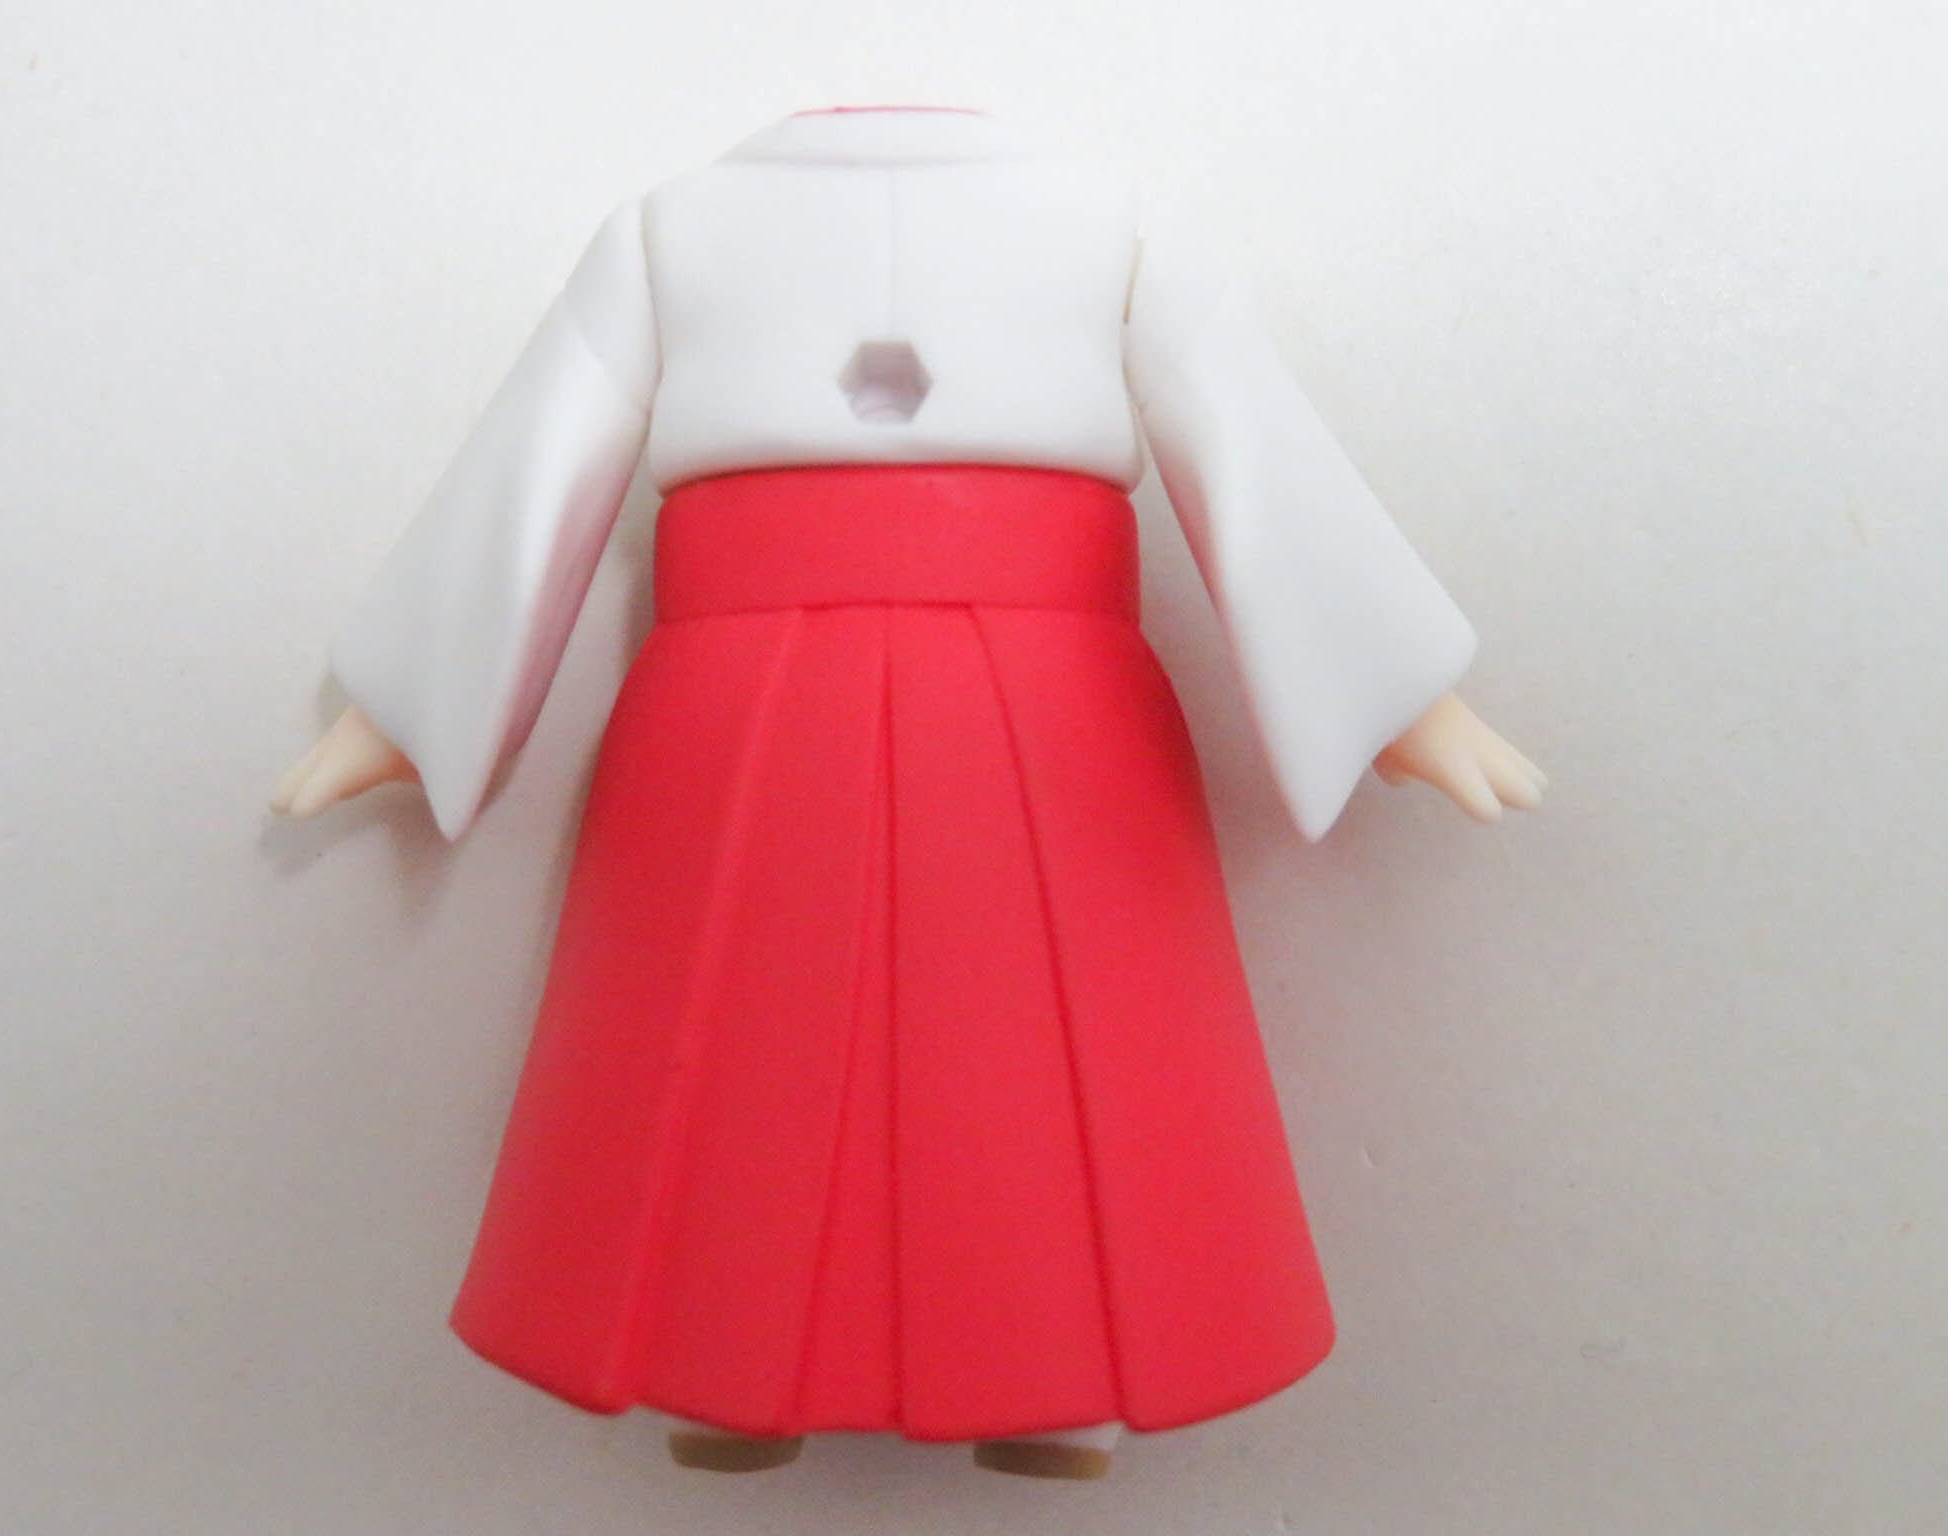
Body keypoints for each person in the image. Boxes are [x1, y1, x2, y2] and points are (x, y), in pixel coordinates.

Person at [271, 106, 1544, 1479]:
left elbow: (1248, 440)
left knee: (1026, 1033)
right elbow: (543, 456)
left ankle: (1046, 1374)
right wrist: (414, 700)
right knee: (750, 1021)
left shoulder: (1092, 228)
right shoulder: (678, 232)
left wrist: (1394, 688)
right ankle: (730, 1362)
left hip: (1015, 700)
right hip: (796, 688)